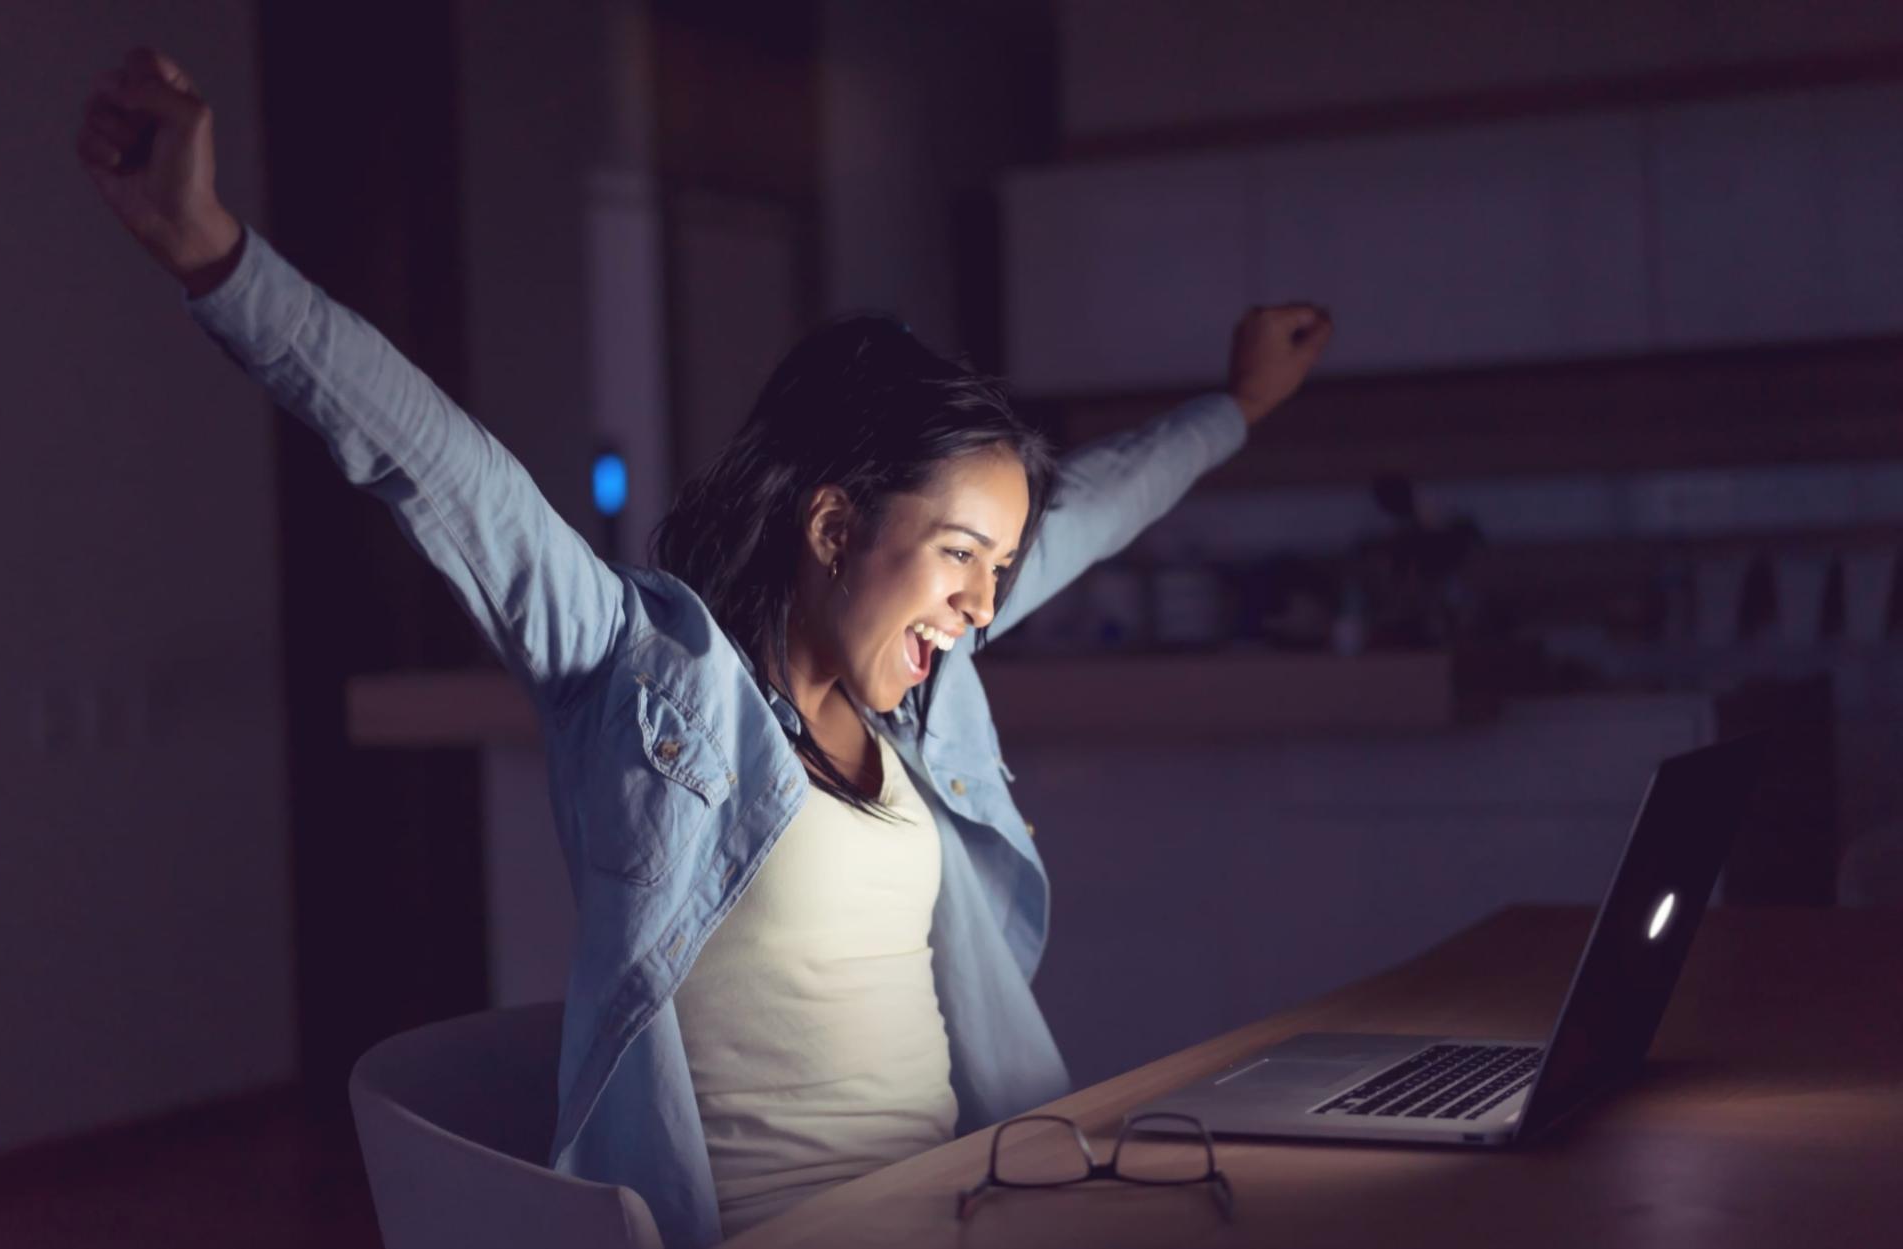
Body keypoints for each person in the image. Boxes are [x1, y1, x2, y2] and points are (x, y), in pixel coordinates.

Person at [78, 46, 1333, 1248]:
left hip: (972, 1206)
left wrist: (1237, 407)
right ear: (833, 526)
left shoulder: (919, 697)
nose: (981, 603)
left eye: (999, 569)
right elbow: (444, 468)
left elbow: (1094, 508)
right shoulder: (642, 679)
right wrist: (215, 255)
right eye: (961, 554)